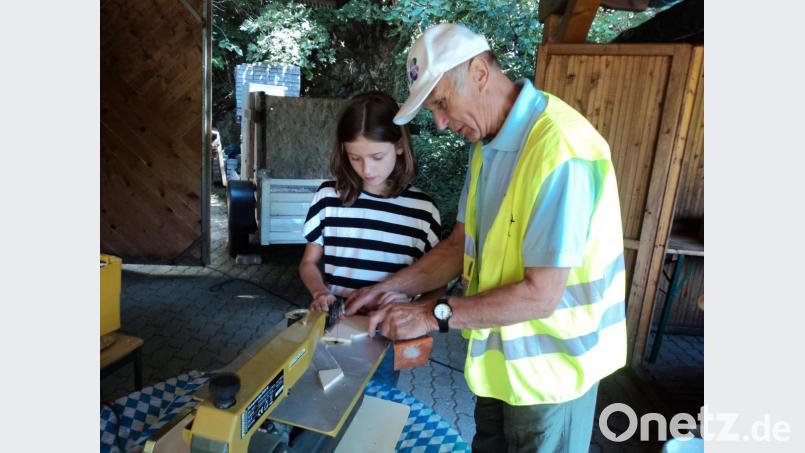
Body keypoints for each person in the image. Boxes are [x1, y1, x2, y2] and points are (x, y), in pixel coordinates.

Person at [346, 24, 628, 452]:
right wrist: (385, 288)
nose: (440, 124)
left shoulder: (560, 148)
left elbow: (541, 296)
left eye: (442, 103)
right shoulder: (487, 148)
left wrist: (429, 314)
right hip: (500, 372)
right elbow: (459, 247)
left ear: (480, 72)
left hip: (553, 378)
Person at [298, 91, 443, 388]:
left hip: (387, 336)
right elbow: (309, 264)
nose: (367, 169)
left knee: (375, 410)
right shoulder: (327, 198)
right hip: (335, 328)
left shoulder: (423, 211)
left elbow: (436, 284)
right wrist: (319, 292)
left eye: (377, 157)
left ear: (400, 147)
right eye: (355, 158)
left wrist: (414, 308)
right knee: (323, 400)